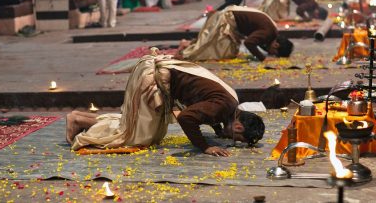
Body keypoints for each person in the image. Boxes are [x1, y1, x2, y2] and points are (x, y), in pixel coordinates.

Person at [66, 52, 265, 156]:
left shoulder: (231, 105)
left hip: (163, 76)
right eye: (236, 138)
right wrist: (204, 147)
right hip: (154, 78)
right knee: (135, 135)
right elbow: (187, 118)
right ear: (238, 126)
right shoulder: (222, 108)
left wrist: (218, 130)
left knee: (142, 128)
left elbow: (207, 109)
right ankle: (78, 121)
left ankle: (81, 118)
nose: (231, 140)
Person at [180, 5, 294, 62]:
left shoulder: (271, 33)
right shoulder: (268, 33)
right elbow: (249, 43)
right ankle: (186, 45)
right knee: (219, 51)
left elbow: (254, 40)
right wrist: (262, 58)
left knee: (223, 48)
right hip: (227, 19)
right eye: (273, 53)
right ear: (276, 45)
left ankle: (188, 44)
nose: (270, 52)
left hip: (232, 17)